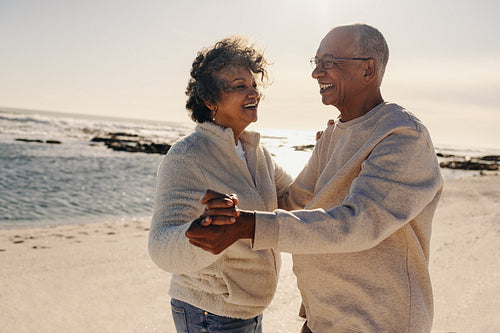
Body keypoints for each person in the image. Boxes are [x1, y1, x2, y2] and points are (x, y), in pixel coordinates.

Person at [186, 23, 443, 333]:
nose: (316, 73)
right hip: (324, 321)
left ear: (368, 70)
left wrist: (250, 225)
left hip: (381, 323)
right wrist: (227, 208)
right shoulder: (333, 135)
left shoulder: (401, 135)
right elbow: (295, 204)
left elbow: (359, 223)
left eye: (329, 62)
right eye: (316, 62)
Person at [148, 36, 292, 333]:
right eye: (240, 86)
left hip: (245, 310)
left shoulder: (257, 153)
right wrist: (199, 234)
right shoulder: (187, 157)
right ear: (210, 101)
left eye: (254, 85)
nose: (253, 93)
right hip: (210, 312)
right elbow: (160, 244)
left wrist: (330, 150)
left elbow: (294, 198)